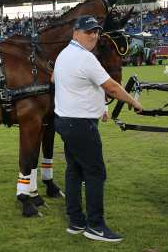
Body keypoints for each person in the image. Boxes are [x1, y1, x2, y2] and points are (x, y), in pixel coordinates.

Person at [53, 15, 143, 243]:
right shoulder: (85, 58)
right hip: (81, 124)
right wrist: (133, 102)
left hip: (66, 121)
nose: (93, 36)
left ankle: (76, 221)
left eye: (96, 32)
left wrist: (97, 105)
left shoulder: (64, 54)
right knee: (95, 173)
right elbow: (111, 87)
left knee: (74, 171)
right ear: (76, 32)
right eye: (88, 31)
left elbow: (58, 80)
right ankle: (95, 226)